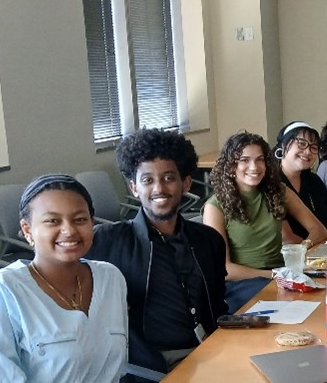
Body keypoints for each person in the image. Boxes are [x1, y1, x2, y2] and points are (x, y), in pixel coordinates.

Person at [86, 129, 227, 375]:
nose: (159, 188)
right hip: (150, 366)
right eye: (148, 180)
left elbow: (218, 304)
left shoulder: (209, 240)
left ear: (186, 183)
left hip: (211, 352)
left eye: (169, 178)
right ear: (133, 188)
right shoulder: (107, 242)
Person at [0, 174, 128, 381]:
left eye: (80, 220)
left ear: (92, 224)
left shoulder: (110, 278)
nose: (69, 230)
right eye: (52, 221)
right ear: (27, 230)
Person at [203, 132, 327, 313]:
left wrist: (302, 247)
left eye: (260, 160)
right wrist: (273, 275)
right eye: (244, 160)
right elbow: (225, 269)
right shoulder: (214, 207)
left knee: (325, 299)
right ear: (231, 166)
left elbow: (319, 229)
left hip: (281, 276)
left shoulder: (278, 191)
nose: (254, 167)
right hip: (243, 285)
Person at [274, 121, 327, 243]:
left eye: (314, 148)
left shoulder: (315, 181)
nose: (308, 152)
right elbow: (287, 238)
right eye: (302, 144)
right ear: (283, 145)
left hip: (323, 250)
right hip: (292, 256)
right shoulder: (273, 183)